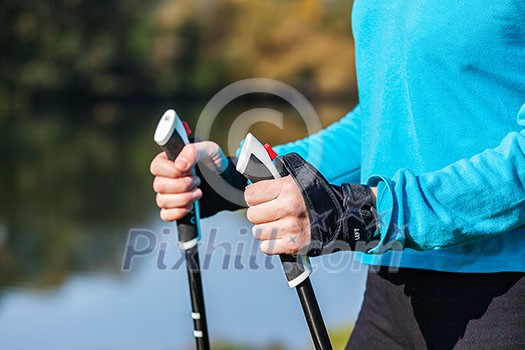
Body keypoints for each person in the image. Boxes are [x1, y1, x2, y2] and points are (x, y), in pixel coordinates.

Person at [150, 1, 525, 349]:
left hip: (506, 291)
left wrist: (367, 213)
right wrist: (238, 178)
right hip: (392, 285)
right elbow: (381, 122)